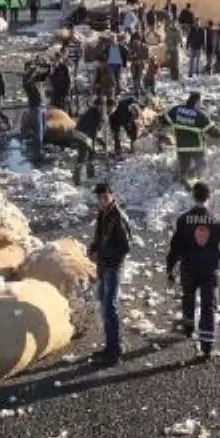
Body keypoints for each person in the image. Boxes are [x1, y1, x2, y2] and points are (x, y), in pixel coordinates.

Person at [165, 182, 220, 361]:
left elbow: (175, 246)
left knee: (188, 297)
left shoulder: (183, 220)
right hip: (209, 269)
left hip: (188, 267)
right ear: (209, 197)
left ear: (193, 196)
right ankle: (206, 346)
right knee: (208, 305)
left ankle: (188, 328)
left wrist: (170, 267)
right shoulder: (217, 219)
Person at [88, 182, 132, 365]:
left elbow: (126, 247)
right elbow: (99, 239)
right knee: (105, 307)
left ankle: (114, 353)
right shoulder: (102, 214)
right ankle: (111, 346)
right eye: (100, 197)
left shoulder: (118, 216)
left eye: (105, 196)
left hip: (113, 267)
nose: (103, 200)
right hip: (103, 266)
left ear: (112, 195)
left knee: (109, 307)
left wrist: (103, 254)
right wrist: (92, 249)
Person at [161, 91, 220, 180]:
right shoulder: (200, 115)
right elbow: (213, 132)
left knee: (183, 171)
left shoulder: (176, 110)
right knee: (201, 167)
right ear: (197, 101)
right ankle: (195, 185)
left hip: (181, 148)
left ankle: (181, 183)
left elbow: (164, 121)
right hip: (197, 148)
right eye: (200, 102)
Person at [69, 98, 108, 185]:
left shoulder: (94, 112)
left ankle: (90, 174)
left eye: (102, 106)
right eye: (100, 106)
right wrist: (98, 143)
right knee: (84, 155)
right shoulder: (95, 114)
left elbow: (96, 132)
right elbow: (94, 132)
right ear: (96, 106)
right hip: (82, 134)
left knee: (91, 153)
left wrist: (98, 143)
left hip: (83, 134)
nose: (101, 107)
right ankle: (77, 179)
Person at [22, 59, 48, 156]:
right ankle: (37, 153)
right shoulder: (26, 78)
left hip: (42, 106)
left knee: (43, 130)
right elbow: (27, 80)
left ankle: (38, 149)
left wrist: (47, 65)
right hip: (35, 107)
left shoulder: (36, 77)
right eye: (30, 66)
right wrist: (32, 70)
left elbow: (46, 74)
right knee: (38, 132)